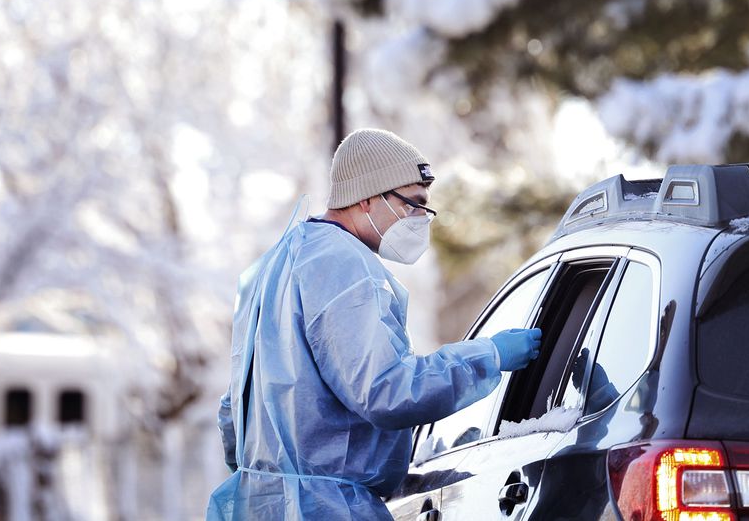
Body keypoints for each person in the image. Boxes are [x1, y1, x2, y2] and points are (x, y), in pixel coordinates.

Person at [206, 128, 542, 521]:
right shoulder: (343, 264)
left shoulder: (279, 263)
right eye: (413, 204)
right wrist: (488, 356)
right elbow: (387, 390)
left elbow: (234, 410)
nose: (421, 219)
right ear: (366, 197)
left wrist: (269, 478)